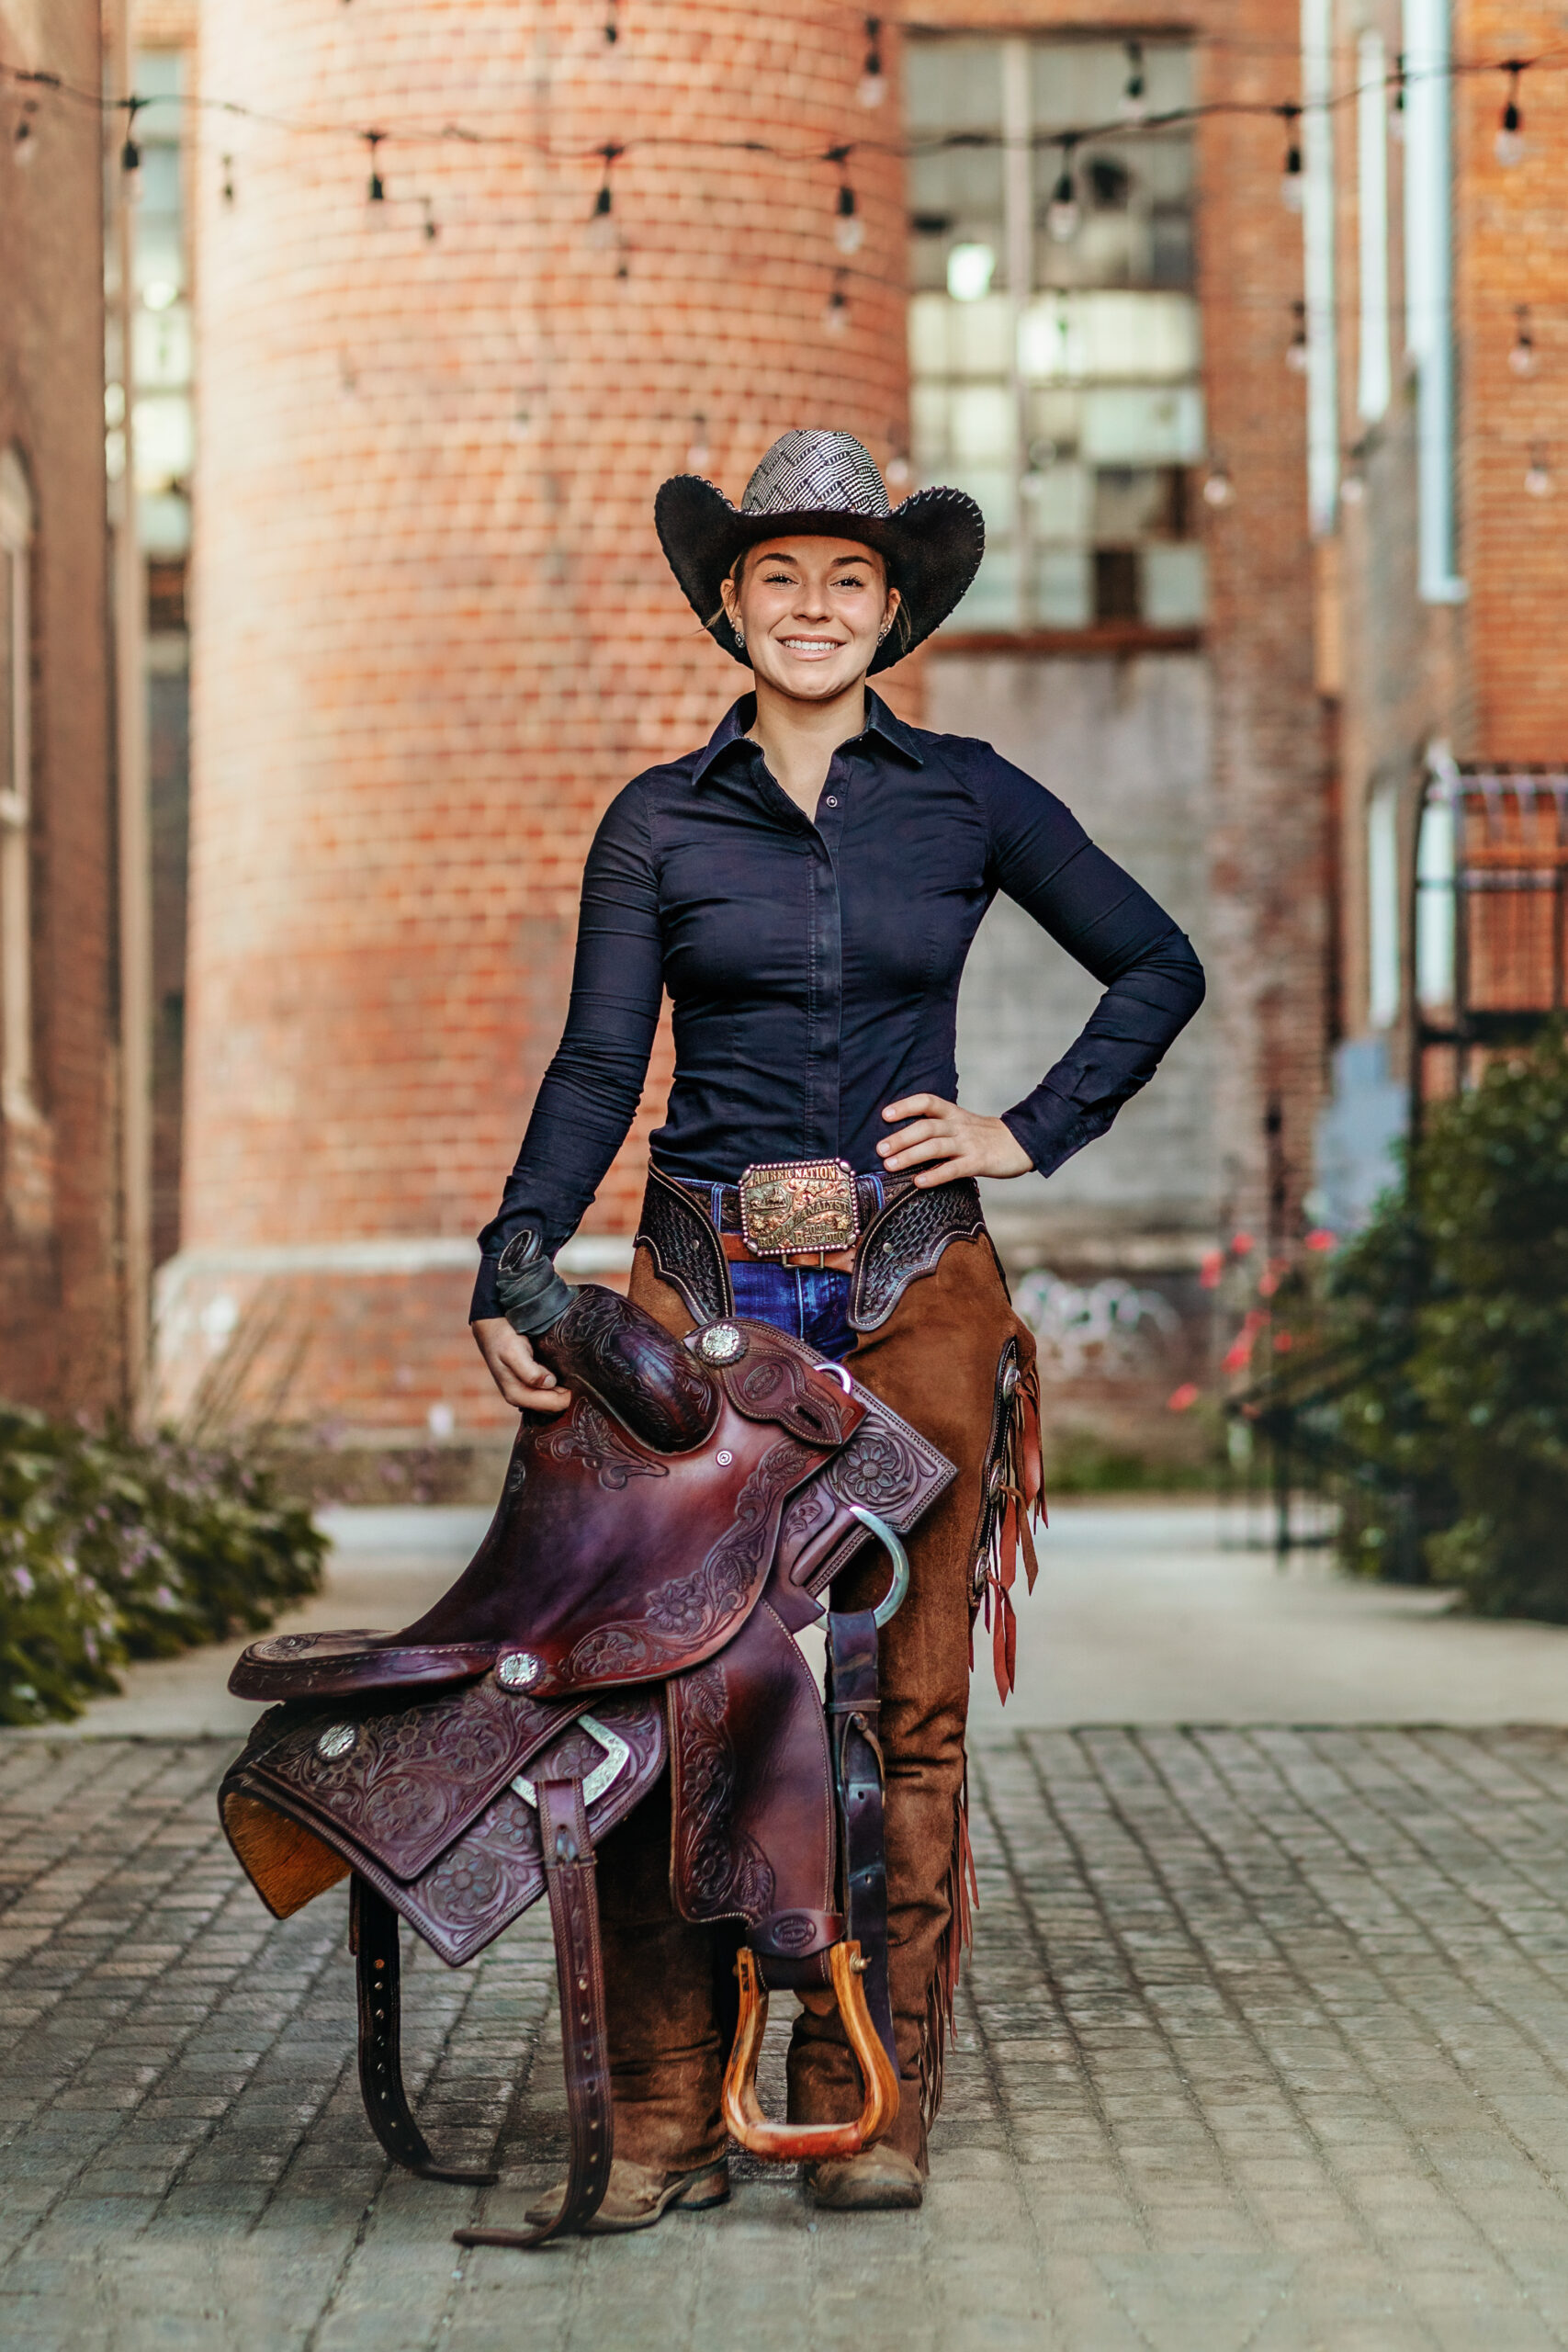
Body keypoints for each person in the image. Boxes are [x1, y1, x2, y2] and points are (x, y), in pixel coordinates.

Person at [470, 429, 1204, 2223]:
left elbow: (1153, 958)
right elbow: (593, 1060)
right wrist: (514, 1257)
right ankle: (659, 2113)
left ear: (891, 609)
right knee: (661, 1687)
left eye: (847, 579)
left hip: (909, 1288)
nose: (812, 606)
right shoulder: (656, 817)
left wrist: (1024, 1128)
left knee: (907, 1712)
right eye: (779, 576)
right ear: (730, 602)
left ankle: (860, 2093)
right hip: (699, 1286)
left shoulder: (962, 796)